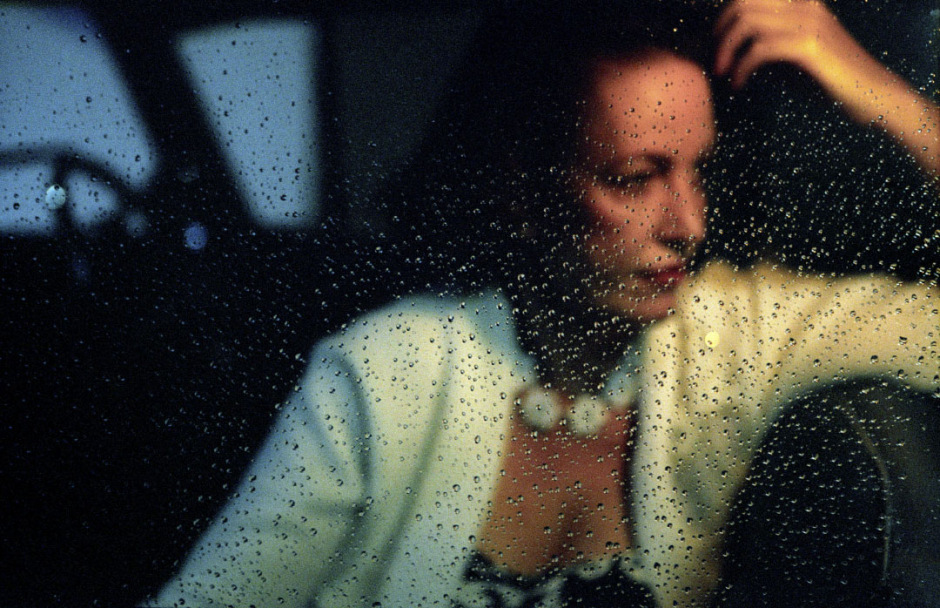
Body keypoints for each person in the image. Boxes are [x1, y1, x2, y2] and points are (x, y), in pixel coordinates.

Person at [149, 1, 939, 607]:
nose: (687, 224)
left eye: (698, 171)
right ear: (524, 191)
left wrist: (883, 96)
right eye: (635, 178)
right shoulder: (385, 373)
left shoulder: (738, 339)